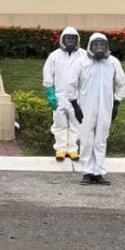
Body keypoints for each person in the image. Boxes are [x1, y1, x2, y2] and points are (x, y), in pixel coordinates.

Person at [65, 33, 125, 186]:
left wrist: (117, 103)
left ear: (106, 46)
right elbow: (71, 84)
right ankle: (87, 172)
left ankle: (99, 172)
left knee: (100, 140)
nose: (99, 47)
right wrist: (75, 105)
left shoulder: (112, 62)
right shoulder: (81, 62)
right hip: (86, 107)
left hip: (106, 107)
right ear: (90, 45)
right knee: (86, 139)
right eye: (96, 44)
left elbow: (122, 83)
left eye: (102, 44)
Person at [42, 26, 84, 162]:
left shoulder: (84, 55)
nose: (71, 41)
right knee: (59, 123)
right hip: (59, 96)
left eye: (73, 38)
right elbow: (48, 73)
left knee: (76, 123)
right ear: (62, 39)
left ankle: (72, 149)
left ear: (77, 40)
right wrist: (50, 92)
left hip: (77, 98)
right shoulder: (54, 56)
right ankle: (60, 149)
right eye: (68, 38)